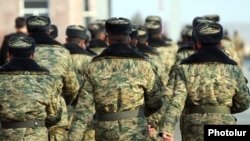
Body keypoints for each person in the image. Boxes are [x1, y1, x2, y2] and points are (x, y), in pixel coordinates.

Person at [69, 17, 163, 141]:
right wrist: (139, 115)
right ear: (129, 39)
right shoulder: (144, 65)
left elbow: (83, 110)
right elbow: (156, 102)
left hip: (106, 131)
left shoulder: (94, 66)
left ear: (107, 39)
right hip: (135, 131)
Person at [159, 22, 250, 141]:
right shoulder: (234, 69)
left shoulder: (185, 68)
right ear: (220, 44)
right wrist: (223, 111)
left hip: (194, 126)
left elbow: (177, 101)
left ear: (196, 45)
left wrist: (167, 128)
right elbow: (244, 102)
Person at [26, 15, 80, 141]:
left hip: (27, 122)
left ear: (28, 31)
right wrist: (60, 101)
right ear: (49, 31)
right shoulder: (62, 53)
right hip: (56, 122)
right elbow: (72, 88)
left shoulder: (18, 51)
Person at [0, 36, 61, 141]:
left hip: (8, 135)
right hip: (37, 135)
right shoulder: (47, 79)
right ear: (32, 56)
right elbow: (54, 115)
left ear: (9, 56)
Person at [64, 24, 95, 141]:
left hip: (62, 115)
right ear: (83, 42)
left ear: (67, 39)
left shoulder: (60, 58)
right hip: (85, 116)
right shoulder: (91, 60)